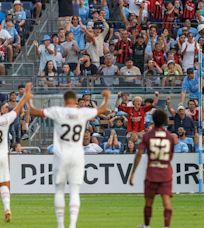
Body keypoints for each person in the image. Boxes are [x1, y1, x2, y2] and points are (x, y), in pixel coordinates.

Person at [26, 84, 110, 228]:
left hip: (61, 154)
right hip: (77, 154)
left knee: (59, 190)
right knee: (75, 191)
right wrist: (106, 97)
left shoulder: (58, 111)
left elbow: (33, 111)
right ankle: (72, 225)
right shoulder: (82, 112)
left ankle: (60, 225)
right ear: (75, 101)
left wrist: (28, 97)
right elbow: (102, 110)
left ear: (64, 100)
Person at [128, 109, 178, 228]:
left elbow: (139, 154)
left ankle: (147, 226)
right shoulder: (170, 137)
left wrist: (133, 173)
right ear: (165, 121)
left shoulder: (147, 136)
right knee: (166, 202)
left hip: (152, 173)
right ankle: (167, 226)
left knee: (149, 202)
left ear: (153, 120)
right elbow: (170, 155)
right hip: (165, 172)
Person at [0, 84, 29, 222]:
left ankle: (7, 208)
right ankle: (7, 207)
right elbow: (17, 110)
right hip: (3, 155)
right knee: (5, 183)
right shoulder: (5, 120)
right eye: (5, 107)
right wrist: (25, 97)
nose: (7, 108)